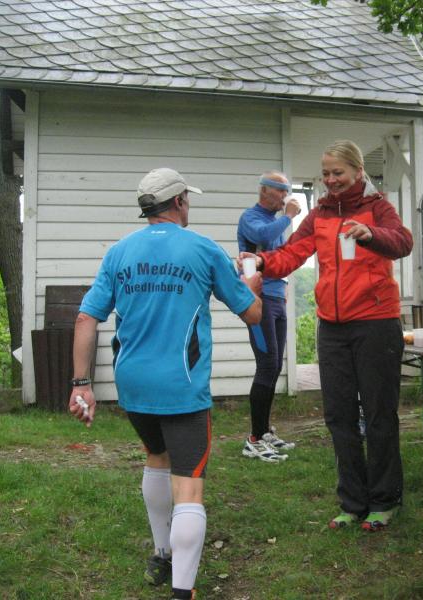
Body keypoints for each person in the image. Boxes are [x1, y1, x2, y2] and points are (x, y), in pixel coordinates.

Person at [68, 167, 262, 600]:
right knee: (188, 482)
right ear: (178, 202)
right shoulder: (203, 249)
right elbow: (252, 313)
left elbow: (85, 318)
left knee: (157, 456)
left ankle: (162, 554)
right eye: (187, 199)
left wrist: (81, 384)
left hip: (133, 385)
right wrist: (252, 285)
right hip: (182, 384)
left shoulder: (119, 252)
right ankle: (182, 590)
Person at [239, 140, 413, 532]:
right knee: (339, 416)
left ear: (358, 172)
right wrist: (262, 260)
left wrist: (371, 234)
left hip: (376, 323)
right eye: (326, 174)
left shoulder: (378, 207)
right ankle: (352, 502)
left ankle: (384, 500)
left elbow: (403, 242)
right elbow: (293, 253)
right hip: (332, 327)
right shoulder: (319, 214)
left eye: (338, 173)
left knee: (379, 414)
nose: (331, 180)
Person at [237, 171, 302, 462]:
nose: (286, 196)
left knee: (274, 366)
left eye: (288, 191)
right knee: (266, 365)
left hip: (276, 299)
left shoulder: (276, 222)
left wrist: (284, 285)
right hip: (258, 301)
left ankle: (264, 432)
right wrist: (288, 217)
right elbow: (262, 237)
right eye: (282, 190)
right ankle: (253, 439)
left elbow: (282, 255)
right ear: (265, 191)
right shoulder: (251, 218)